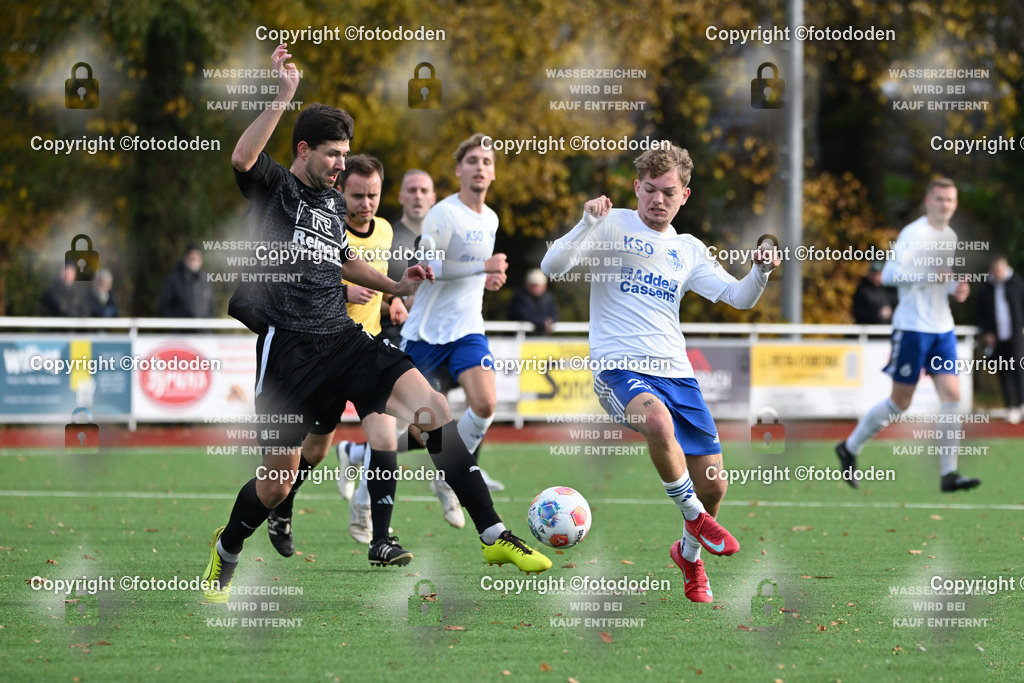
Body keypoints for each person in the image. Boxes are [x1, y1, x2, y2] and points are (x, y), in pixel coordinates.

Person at [201, 45, 549, 604]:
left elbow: (343, 259)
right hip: (288, 351)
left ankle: (493, 534)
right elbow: (243, 158)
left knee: (435, 412)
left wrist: (397, 284)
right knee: (276, 484)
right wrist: (280, 98)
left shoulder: (330, 205)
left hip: (342, 338)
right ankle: (228, 548)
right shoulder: (277, 189)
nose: (341, 164)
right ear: (303, 150)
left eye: (345, 154)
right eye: (332, 154)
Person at [540, 145, 780, 603]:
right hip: (619, 368)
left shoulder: (688, 249)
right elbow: (552, 267)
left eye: (668, 192)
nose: (657, 199)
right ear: (636, 187)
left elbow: (739, 297)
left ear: (684, 196)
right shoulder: (610, 223)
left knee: (714, 484)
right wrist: (586, 222)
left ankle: (689, 553)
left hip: (678, 375)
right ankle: (694, 516)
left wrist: (761, 272)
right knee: (656, 422)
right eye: (649, 190)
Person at [266, 154, 410, 558]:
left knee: (385, 439)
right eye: (357, 195)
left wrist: (392, 303)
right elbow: (302, 278)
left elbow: (376, 287)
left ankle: (381, 538)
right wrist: (342, 291)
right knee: (312, 452)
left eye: (373, 195)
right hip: (320, 353)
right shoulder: (321, 224)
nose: (365, 204)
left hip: (365, 353)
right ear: (339, 192)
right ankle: (283, 507)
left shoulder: (384, 231)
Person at [836, 178, 980, 492]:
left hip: (942, 328)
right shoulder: (913, 234)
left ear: (955, 204)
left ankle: (949, 474)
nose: (945, 205)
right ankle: (849, 448)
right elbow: (888, 274)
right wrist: (930, 273)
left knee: (953, 397)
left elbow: (940, 280)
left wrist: (956, 288)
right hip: (913, 328)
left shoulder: (951, 236)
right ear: (928, 201)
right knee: (901, 402)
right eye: (940, 199)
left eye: (950, 200)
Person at [398, 133, 510, 529]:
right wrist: (483, 268)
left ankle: (449, 475)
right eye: (473, 161)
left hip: (467, 330)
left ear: (493, 173)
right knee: (413, 429)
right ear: (459, 169)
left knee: (485, 404)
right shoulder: (443, 214)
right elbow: (429, 268)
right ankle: (356, 456)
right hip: (426, 333)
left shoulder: (491, 218)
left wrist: (488, 279)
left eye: (487, 162)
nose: (481, 167)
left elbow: (476, 274)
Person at [379, 170, 437, 346]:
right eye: (412, 190)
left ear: (433, 198)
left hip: (438, 337)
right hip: (395, 337)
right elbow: (367, 300)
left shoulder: (444, 241)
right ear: (401, 197)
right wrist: (405, 304)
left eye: (423, 191)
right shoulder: (385, 238)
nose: (418, 196)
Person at [977, 255, 1024, 424]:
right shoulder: (986, 289)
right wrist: (987, 332)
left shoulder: (1017, 285)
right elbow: (981, 314)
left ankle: (1021, 403)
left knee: (1019, 368)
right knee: (1003, 371)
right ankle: (1010, 407)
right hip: (996, 339)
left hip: (1016, 336)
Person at [158, 244, 215, 317]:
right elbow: (164, 305)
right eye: (192, 258)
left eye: (197, 259)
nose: (194, 261)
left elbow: (212, 306)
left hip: (203, 327)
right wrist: (175, 325)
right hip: (181, 327)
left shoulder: (206, 279)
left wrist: (208, 325)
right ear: (185, 258)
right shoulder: (174, 278)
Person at [509, 268, 559, 335]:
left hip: (541, 339)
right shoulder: (520, 297)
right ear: (527, 285)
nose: (536, 289)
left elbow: (555, 315)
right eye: (533, 285)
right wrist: (542, 322)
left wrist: (551, 321)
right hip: (519, 339)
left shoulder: (549, 298)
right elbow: (524, 316)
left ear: (545, 286)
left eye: (539, 286)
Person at [852, 260, 898, 325]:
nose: (876, 276)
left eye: (879, 273)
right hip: (868, 332)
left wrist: (891, 312)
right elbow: (858, 313)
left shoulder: (890, 289)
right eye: (874, 273)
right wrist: (877, 313)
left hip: (887, 331)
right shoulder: (862, 290)